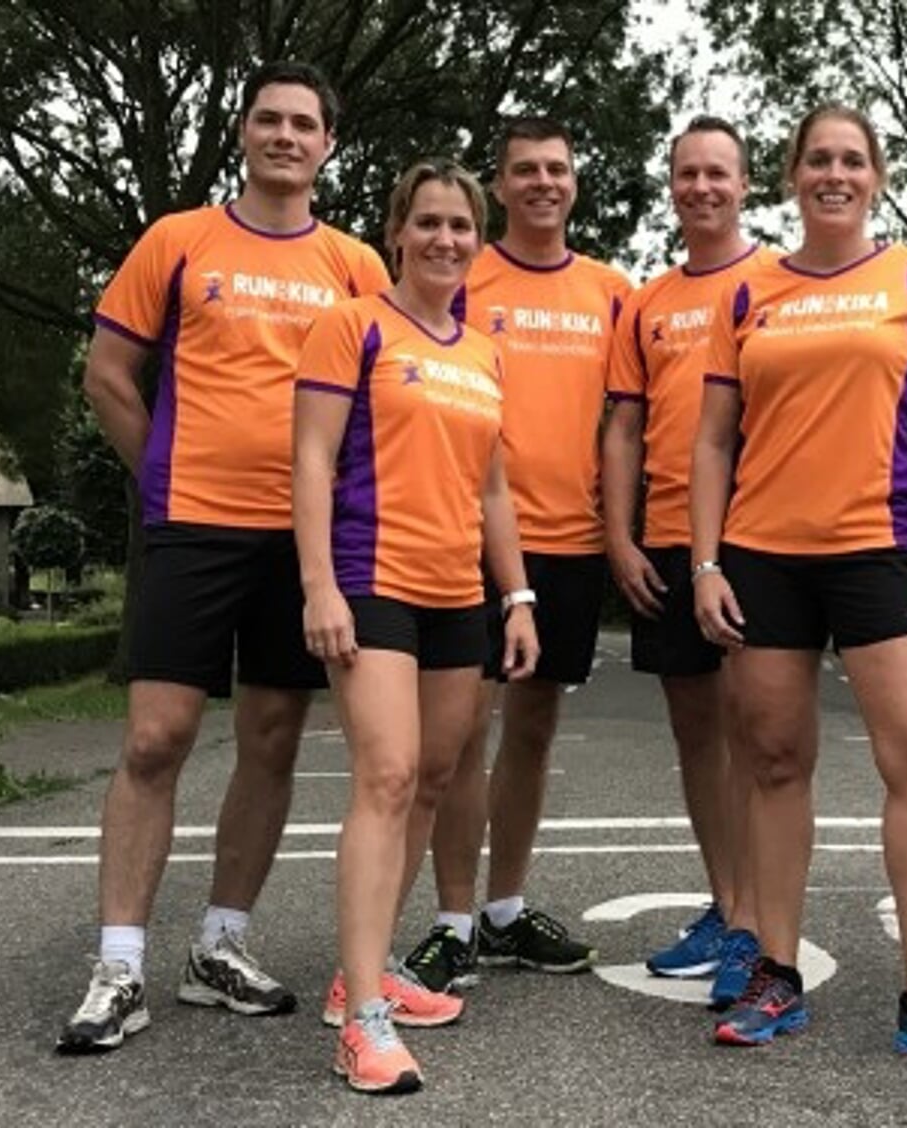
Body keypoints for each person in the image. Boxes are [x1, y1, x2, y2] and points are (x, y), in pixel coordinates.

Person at [60, 61, 390, 1054]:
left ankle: (219, 948)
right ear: (245, 133)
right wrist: (160, 475)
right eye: (269, 119)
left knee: (274, 737)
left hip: (304, 541)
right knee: (156, 739)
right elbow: (108, 374)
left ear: (328, 144)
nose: (285, 135)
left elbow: (384, 399)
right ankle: (119, 964)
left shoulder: (356, 265)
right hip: (192, 527)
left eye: (304, 123)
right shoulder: (178, 239)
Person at [689, 104, 907, 1065]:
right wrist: (704, 563)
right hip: (762, 558)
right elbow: (710, 439)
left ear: (874, 176)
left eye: (852, 160)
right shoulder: (747, 293)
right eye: (818, 159)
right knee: (774, 762)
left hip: (881, 547)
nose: (834, 174)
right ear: (792, 175)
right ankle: (773, 973)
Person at [293, 159, 539, 1095]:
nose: (445, 239)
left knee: (435, 777)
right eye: (428, 222)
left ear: (478, 241)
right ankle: (363, 1020)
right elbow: (311, 461)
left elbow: (491, 489)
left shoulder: (484, 352)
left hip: (454, 595)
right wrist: (319, 587)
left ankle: (360, 972)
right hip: (370, 580)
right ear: (396, 231)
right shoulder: (350, 327)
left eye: (461, 226)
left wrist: (515, 596)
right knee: (388, 776)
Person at [401, 117, 633, 992]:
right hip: (465, 535)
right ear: (498, 187)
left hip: (566, 542)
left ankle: (503, 909)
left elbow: (623, 424)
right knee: (457, 736)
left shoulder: (612, 289)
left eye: (557, 169)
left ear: (575, 183)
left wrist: (619, 531)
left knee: (532, 730)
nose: (542, 182)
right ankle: (452, 918)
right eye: (524, 170)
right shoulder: (463, 272)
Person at [603, 116, 773, 995]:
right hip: (667, 536)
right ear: (671, 186)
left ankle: (756, 919)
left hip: (755, 536)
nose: (701, 188)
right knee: (697, 735)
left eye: (718, 173)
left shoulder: (777, 281)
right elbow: (624, 425)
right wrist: (620, 534)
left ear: (744, 184)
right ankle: (726, 901)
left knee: (756, 736)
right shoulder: (647, 302)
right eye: (686, 175)